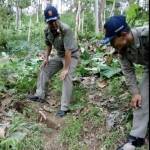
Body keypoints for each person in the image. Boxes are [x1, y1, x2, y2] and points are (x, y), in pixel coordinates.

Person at [100, 15, 149, 150]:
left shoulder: (146, 34)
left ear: (123, 34)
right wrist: (135, 93)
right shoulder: (121, 50)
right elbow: (128, 71)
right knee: (141, 99)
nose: (111, 45)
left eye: (112, 41)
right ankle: (136, 138)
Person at [28, 5, 79, 118]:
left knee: (67, 76)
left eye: (54, 21)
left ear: (58, 18)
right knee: (44, 68)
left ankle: (64, 108)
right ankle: (39, 95)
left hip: (72, 55)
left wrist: (65, 69)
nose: (53, 24)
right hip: (60, 54)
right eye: (50, 22)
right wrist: (46, 58)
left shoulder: (66, 29)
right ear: (47, 22)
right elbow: (48, 45)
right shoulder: (46, 30)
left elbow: (68, 51)